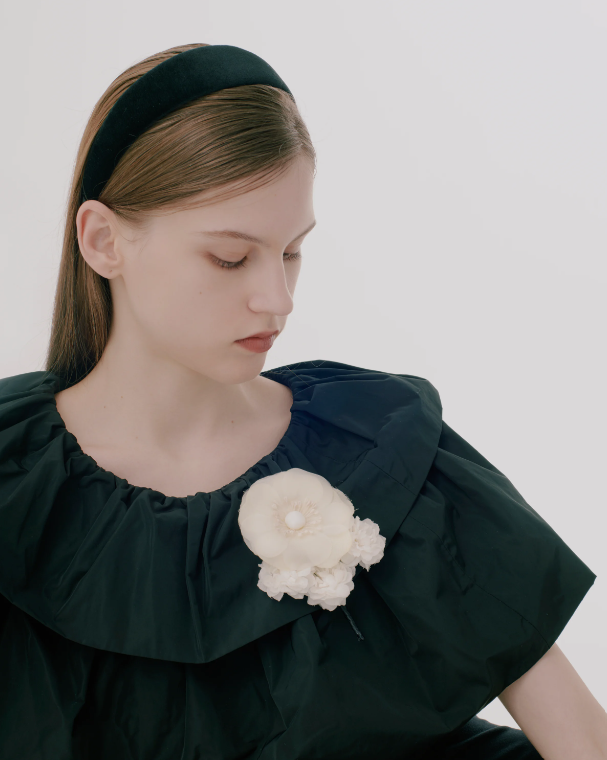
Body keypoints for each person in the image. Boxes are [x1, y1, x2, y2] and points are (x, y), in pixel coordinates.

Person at [0, 42, 604, 760]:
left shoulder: (379, 449)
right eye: (230, 257)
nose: (277, 299)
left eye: (291, 251)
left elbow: (580, 738)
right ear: (103, 241)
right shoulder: (16, 487)